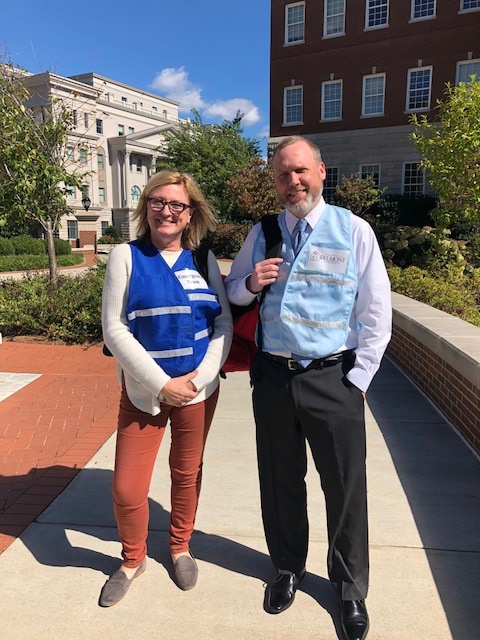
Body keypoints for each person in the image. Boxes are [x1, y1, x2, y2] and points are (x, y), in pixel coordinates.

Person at [225, 136, 391, 640]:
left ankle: (349, 587)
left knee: (344, 486)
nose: (292, 181)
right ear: (274, 182)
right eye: (282, 174)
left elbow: (376, 313)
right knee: (279, 479)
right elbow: (232, 291)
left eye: (300, 171)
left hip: (332, 378)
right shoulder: (264, 231)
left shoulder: (354, 230)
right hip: (273, 376)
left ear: (320, 171)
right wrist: (251, 283)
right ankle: (287, 568)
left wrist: (356, 381)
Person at [100, 170, 232, 607]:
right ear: (146, 206)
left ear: (190, 212)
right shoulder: (125, 255)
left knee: (186, 473)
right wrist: (161, 384)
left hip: (198, 392)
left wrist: (199, 379)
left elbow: (222, 325)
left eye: (177, 204)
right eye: (158, 201)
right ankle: (131, 559)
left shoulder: (203, 258)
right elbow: (114, 331)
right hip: (144, 395)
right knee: (127, 488)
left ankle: (179, 547)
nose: (166, 211)